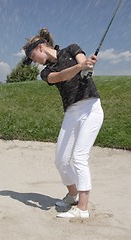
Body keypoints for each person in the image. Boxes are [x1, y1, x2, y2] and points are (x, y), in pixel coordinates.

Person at [23, 28, 104, 219]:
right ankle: (73, 195)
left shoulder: (71, 49)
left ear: (41, 47)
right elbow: (61, 77)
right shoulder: (47, 72)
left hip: (90, 108)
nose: (34, 62)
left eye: (33, 57)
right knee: (60, 160)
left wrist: (88, 65)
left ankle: (82, 209)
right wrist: (80, 68)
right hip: (71, 112)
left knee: (79, 157)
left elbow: (84, 64)